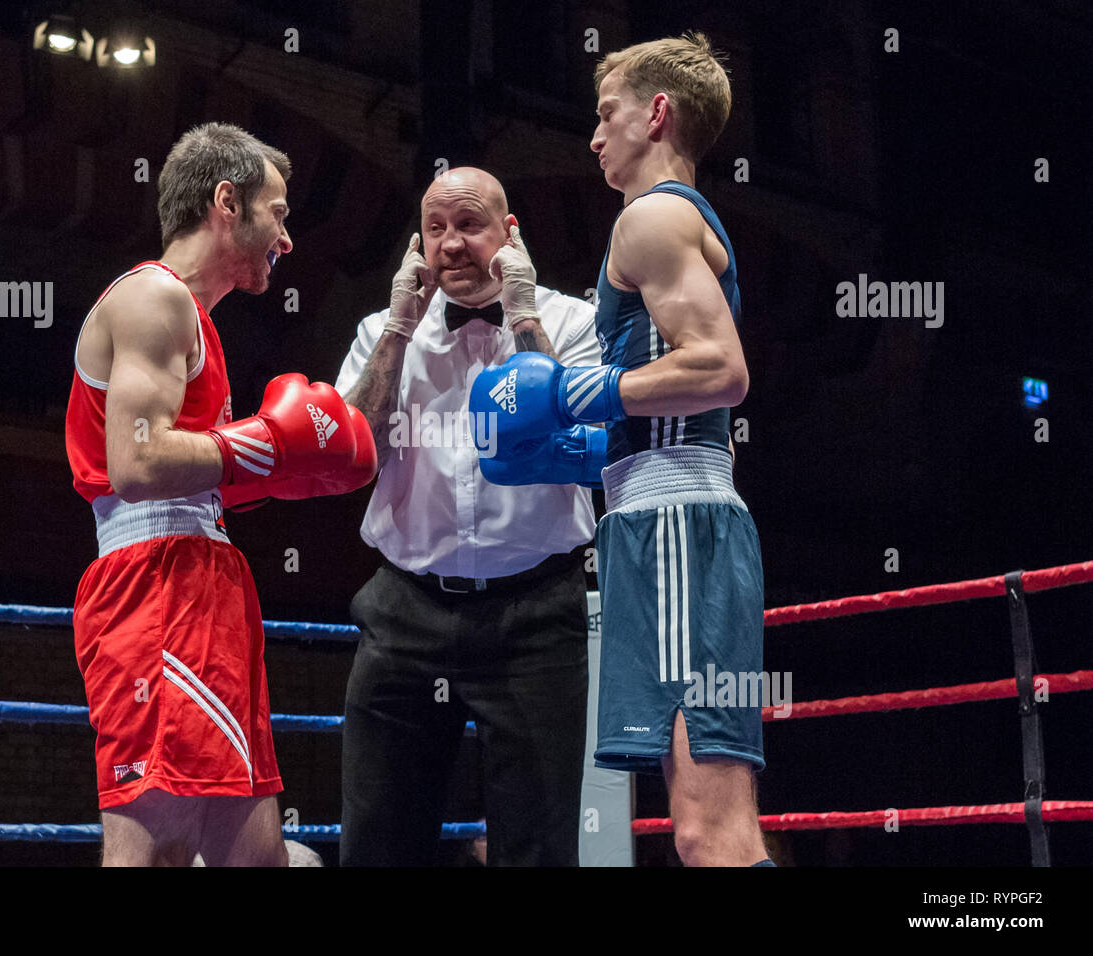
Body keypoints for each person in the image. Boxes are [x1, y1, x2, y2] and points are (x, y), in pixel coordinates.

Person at [470, 33, 773, 867]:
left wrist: (574, 392)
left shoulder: (653, 216)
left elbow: (720, 369)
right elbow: (664, 400)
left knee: (710, 829)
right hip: (656, 520)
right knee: (699, 824)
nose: (595, 136)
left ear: (658, 113)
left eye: (608, 114)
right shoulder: (654, 224)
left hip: (678, 526)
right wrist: (574, 448)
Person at [65, 123, 376, 866]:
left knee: (255, 852)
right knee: (158, 840)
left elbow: (198, 471)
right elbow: (138, 464)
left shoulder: (196, 323)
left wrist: (277, 469)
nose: (288, 238)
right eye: (280, 212)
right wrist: (266, 445)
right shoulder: (153, 298)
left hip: (201, 580)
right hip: (157, 586)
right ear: (227, 202)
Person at [334, 167, 602, 866]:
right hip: (404, 613)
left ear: (509, 233)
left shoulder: (573, 321)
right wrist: (398, 327)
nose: (450, 244)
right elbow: (347, 454)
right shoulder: (380, 333)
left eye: (469, 225)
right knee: (377, 844)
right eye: (435, 228)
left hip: (536, 616)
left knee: (538, 848)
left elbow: (575, 445)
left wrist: (523, 318)